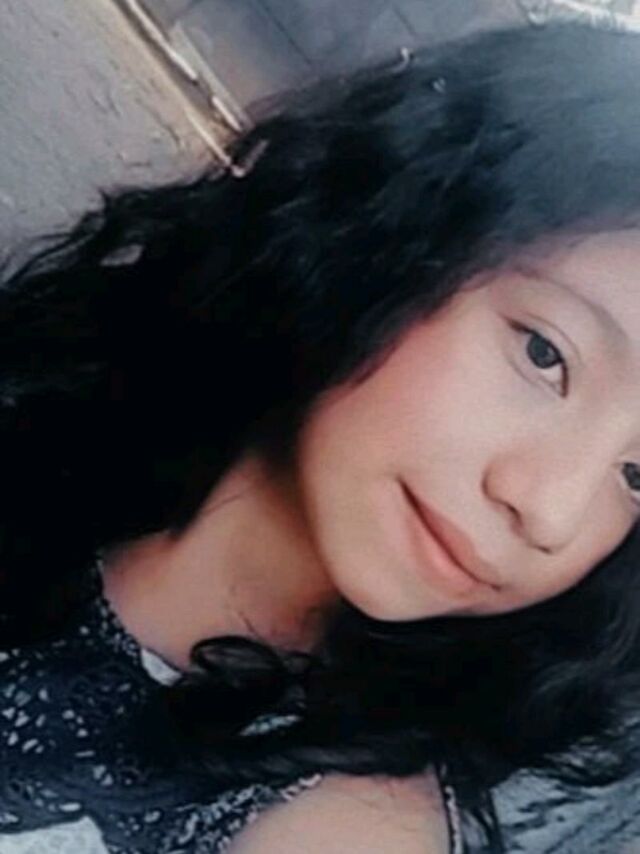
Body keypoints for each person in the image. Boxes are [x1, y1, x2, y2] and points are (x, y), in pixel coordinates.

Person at [1, 22, 640, 854]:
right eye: (545, 354)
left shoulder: (347, 827)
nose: (550, 512)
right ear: (407, 226)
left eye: (638, 475)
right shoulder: (56, 390)